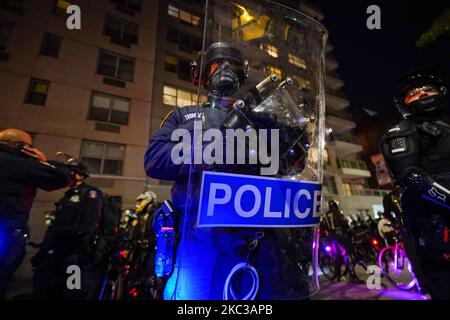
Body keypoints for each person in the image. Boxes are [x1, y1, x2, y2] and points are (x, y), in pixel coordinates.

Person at [145, 42, 311, 300]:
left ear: (241, 74)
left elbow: (291, 161)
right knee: (191, 298)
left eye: (232, 65)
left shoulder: (258, 118)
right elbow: (154, 159)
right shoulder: (183, 116)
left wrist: (292, 132)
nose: (224, 69)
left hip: (257, 231)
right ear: (202, 74)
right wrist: (205, 151)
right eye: (216, 64)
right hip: (200, 234)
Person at [380, 68, 450, 299]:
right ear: (403, 103)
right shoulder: (401, 132)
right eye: (414, 93)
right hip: (436, 227)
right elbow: (412, 179)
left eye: (427, 90)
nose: (422, 95)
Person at [0, 129, 71, 299]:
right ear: (19, 145)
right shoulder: (15, 162)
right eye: (28, 146)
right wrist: (42, 160)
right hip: (6, 230)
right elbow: (61, 176)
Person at [32, 160, 104, 300]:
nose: (68, 174)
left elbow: (90, 219)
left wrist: (81, 242)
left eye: (71, 171)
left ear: (80, 175)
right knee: (53, 287)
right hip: (59, 248)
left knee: (73, 288)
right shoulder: (68, 195)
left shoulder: (90, 193)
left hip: (75, 251)